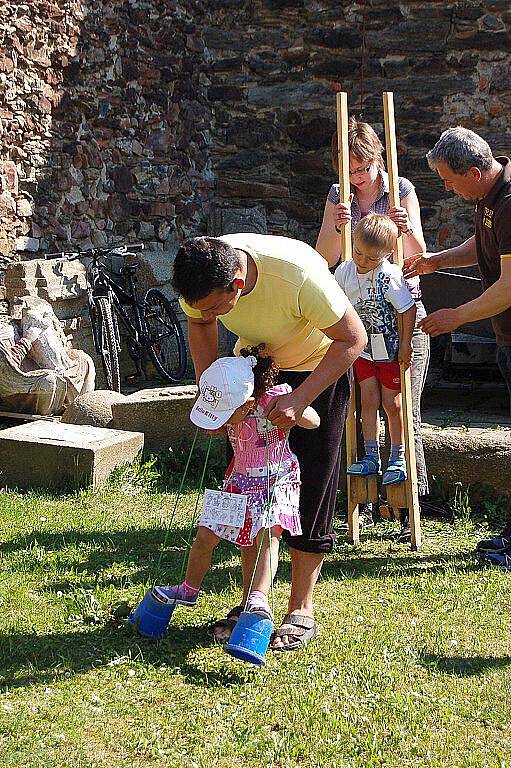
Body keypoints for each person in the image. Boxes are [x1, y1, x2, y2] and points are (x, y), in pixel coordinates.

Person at [171, 233, 367, 650]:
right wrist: (214, 390)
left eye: (213, 306)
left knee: (309, 489)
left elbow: (353, 339)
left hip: (318, 372)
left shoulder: (297, 276)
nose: (206, 313)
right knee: (251, 494)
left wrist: (301, 398)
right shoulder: (201, 275)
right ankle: (250, 606)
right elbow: (199, 322)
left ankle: (301, 609)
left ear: (236, 286)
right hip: (254, 373)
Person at [403, 126, 511, 568]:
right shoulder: (490, 198)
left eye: (449, 179)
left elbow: (508, 287)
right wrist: (437, 260)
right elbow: (483, 246)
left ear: (473, 171)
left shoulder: (510, 203)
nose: (446, 188)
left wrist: (456, 317)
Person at [316, 117, 431, 527]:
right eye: (349, 172)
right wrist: (337, 224)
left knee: (402, 408)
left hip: (400, 318)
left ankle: (404, 509)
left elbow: (419, 256)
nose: (358, 179)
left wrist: (405, 227)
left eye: (363, 170)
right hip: (357, 325)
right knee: (358, 410)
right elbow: (325, 257)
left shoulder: (400, 188)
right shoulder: (338, 194)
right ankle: (360, 505)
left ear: (378, 159)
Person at [154, 347, 320, 623]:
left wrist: (295, 407)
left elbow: (314, 422)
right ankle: (188, 589)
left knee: (267, 536)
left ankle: (259, 597)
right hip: (239, 482)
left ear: (248, 404)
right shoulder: (231, 407)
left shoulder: (274, 398)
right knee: (205, 535)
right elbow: (212, 423)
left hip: (276, 481)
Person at [335, 214, 416, 488]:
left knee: (391, 404)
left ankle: (398, 455)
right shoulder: (345, 271)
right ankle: (371, 455)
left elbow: (407, 308)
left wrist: (405, 344)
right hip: (363, 351)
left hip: (390, 351)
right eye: (358, 252)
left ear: (387, 254)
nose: (362, 261)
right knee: (367, 403)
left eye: (370, 258)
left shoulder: (388, 276)